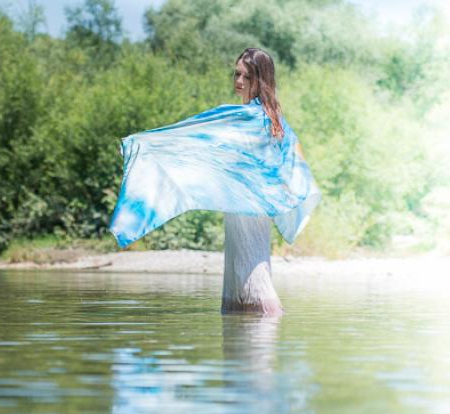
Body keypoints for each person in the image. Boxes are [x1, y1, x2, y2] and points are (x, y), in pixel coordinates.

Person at [109, 47, 321, 316]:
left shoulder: (261, 120)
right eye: (236, 74)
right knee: (239, 281)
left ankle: (261, 338)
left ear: (261, 79)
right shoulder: (269, 120)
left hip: (252, 212)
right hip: (241, 209)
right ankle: (245, 344)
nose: (239, 81)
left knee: (253, 278)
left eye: (246, 76)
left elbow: (289, 171)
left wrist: (144, 144)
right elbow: (196, 137)